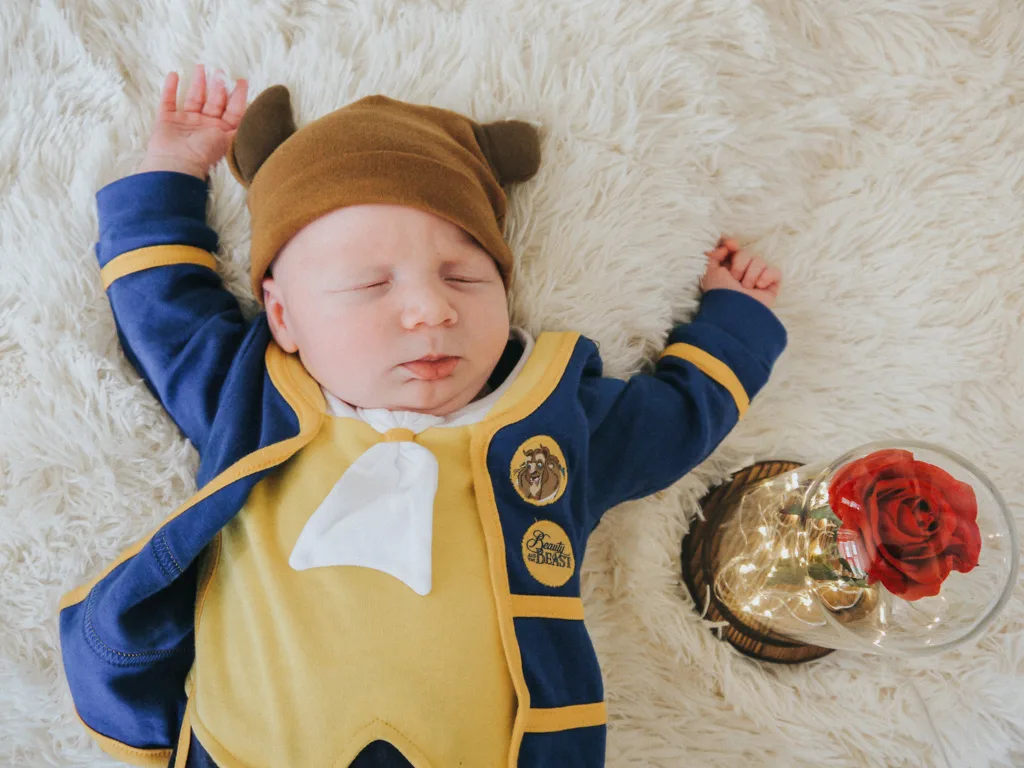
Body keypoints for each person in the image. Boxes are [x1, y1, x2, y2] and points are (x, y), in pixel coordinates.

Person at [58, 64, 786, 768]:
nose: (433, 309)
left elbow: (673, 421)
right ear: (283, 317)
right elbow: (163, 314)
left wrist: (732, 327)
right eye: (371, 285)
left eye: (466, 278)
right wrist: (173, 171)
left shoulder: (552, 419)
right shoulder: (252, 395)